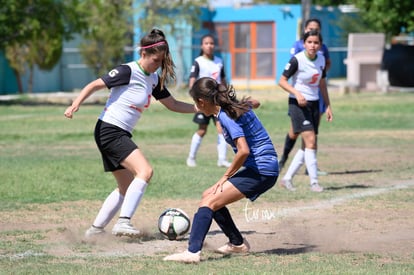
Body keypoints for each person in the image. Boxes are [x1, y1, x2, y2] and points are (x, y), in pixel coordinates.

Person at [64, 29, 196, 238]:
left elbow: (172, 104)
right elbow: (95, 84)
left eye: (161, 61)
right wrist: (75, 104)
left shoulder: (153, 79)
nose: (158, 65)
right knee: (145, 171)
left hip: (116, 132)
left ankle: (95, 230)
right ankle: (123, 222)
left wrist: (200, 108)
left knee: (125, 187)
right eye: (155, 60)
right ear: (143, 54)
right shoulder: (127, 71)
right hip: (110, 130)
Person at [163, 77, 279, 263]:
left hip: (262, 170)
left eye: (196, 103)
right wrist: (246, 104)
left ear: (202, 102)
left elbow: (243, 151)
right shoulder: (233, 107)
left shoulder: (225, 115)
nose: (197, 107)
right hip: (264, 166)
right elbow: (256, 102)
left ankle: (192, 253)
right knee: (209, 195)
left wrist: (224, 178)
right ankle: (237, 243)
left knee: (209, 202)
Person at [278, 29, 333, 192]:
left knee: (306, 145)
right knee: (311, 142)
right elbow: (281, 81)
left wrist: (328, 105)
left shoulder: (321, 59)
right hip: (298, 104)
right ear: (304, 44)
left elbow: (322, 84)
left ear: (320, 45)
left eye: (316, 42)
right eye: (309, 42)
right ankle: (314, 182)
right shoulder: (297, 60)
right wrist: (296, 93)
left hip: (314, 104)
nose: (313, 45)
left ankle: (287, 178)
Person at [186, 34, 231, 168]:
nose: (209, 46)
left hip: (217, 101)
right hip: (203, 102)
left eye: (211, 43)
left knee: (221, 128)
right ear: (202, 46)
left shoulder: (219, 61)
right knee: (202, 129)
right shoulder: (198, 61)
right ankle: (191, 157)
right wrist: (196, 98)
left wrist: (226, 95)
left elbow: (222, 81)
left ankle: (222, 159)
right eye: (206, 43)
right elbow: (192, 81)